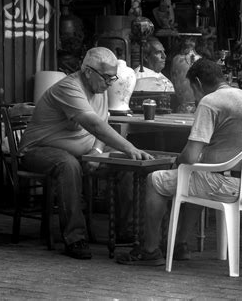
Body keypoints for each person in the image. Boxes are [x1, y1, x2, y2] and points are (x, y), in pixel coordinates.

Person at [116, 57, 242, 265]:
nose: (193, 94)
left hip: (226, 185)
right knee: (194, 177)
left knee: (155, 180)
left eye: (192, 88)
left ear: (197, 82)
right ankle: (180, 244)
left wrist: (175, 161)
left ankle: (149, 250)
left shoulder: (211, 101)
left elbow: (190, 157)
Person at [19, 47, 154, 260]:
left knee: (126, 163)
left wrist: (97, 150)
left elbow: (102, 124)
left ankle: (125, 229)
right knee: (68, 165)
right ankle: (75, 237)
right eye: (107, 77)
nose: (110, 82)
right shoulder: (70, 88)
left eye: (113, 77)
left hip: (83, 150)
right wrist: (129, 146)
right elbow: (95, 125)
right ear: (88, 71)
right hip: (37, 151)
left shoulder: (99, 88)